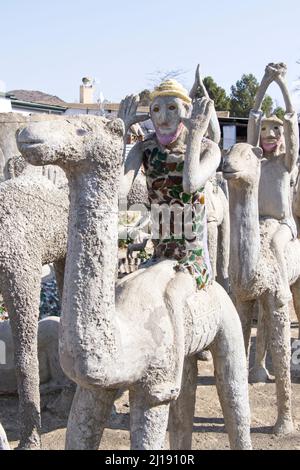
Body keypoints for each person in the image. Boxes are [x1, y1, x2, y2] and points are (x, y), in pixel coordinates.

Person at [119, 69, 221, 289]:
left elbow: (190, 184)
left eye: (172, 108)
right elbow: (118, 191)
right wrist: (120, 131)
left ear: (187, 110)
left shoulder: (208, 149)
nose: (163, 118)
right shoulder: (144, 148)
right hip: (159, 255)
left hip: (191, 261)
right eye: (156, 110)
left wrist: (195, 135)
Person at [248, 63, 299, 306]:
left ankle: (281, 292)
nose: (269, 134)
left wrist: (281, 83)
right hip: (258, 223)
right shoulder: (255, 160)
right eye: (265, 129)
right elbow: (253, 117)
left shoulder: (286, 162)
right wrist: (264, 83)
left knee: (275, 245)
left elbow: (291, 120)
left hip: (283, 224)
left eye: (275, 130)